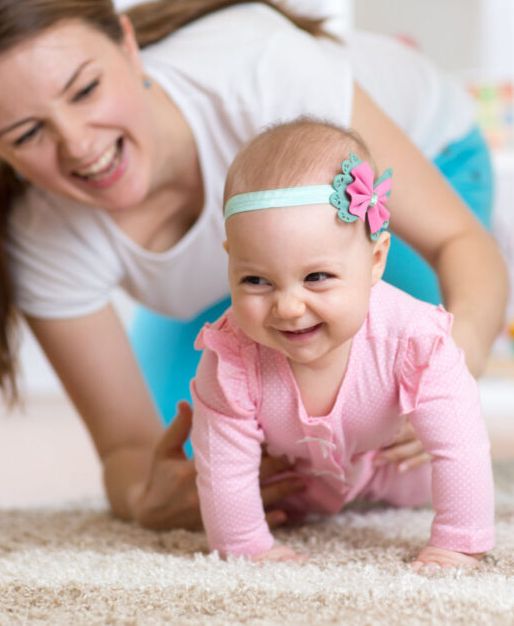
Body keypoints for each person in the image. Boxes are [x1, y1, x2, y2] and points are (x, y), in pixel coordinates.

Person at [0, 0, 508, 532]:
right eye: (26, 133)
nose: (78, 145)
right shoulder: (40, 236)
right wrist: (145, 498)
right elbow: (127, 453)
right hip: (247, 279)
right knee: (208, 449)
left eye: (84, 91)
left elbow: (462, 242)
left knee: (360, 406)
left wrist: (456, 361)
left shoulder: (262, 72)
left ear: (128, 47)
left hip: (425, 169)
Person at [191, 118, 494, 569]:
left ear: (375, 260)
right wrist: (248, 546)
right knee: (244, 485)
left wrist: (457, 543)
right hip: (298, 486)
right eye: (256, 280)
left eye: (317, 277)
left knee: (444, 463)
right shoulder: (231, 355)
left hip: (398, 468)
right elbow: (223, 465)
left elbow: (460, 442)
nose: (288, 307)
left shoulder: (414, 338)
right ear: (231, 263)